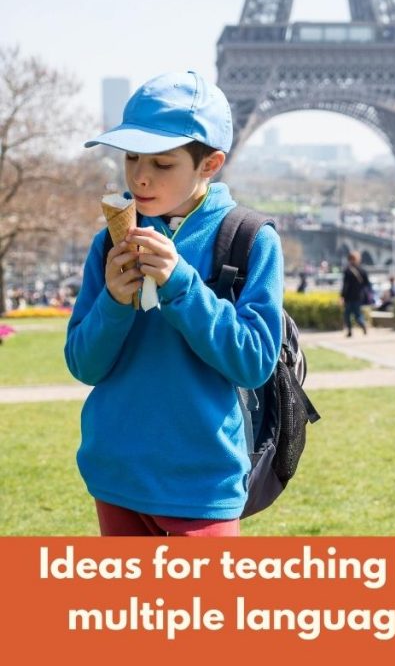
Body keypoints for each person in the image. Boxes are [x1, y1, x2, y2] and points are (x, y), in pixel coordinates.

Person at [65, 70, 283, 537]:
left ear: (211, 163)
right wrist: (114, 303)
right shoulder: (109, 243)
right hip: (114, 472)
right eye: (131, 157)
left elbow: (253, 364)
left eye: (162, 164)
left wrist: (182, 286)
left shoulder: (250, 239)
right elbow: (83, 365)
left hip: (202, 480)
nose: (140, 177)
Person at [340, 251, 371, 336]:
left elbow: (345, 286)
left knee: (347, 315)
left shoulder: (348, 271)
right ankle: (362, 325)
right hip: (358, 296)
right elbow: (367, 284)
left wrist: (342, 296)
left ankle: (350, 331)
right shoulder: (362, 270)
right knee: (357, 314)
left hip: (349, 297)